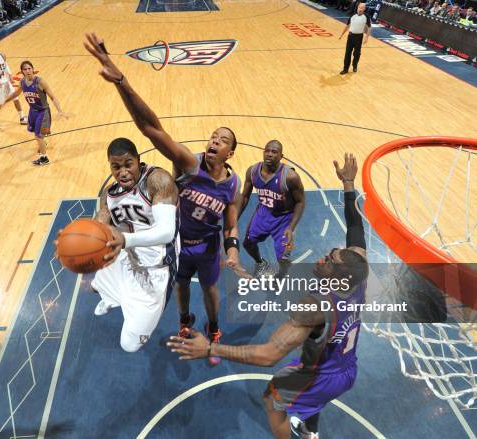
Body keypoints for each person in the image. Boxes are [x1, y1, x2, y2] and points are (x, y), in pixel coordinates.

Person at [168, 153, 369, 439]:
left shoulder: (313, 308)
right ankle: (310, 429)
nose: (324, 257)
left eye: (331, 261)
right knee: (306, 389)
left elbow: (268, 355)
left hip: (322, 375)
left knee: (272, 400)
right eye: (330, 253)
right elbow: (356, 230)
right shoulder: (359, 274)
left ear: (339, 276)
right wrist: (348, 184)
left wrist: (211, 349)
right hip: (346, 365)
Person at [84, 32, 243, 366]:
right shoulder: (189, 164)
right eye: (213, 135)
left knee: (211, 291)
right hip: (181, 242)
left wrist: (232, 251)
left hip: (209, 246)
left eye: (223, 139)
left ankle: (214, 329)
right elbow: (150, 129)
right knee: (182, 288)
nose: (215, 140)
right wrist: (121, 81)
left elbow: (231, 223)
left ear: (231, 151)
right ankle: (185, 323)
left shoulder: (233, 184)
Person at [89, 138, 179, 352]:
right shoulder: (109, 195)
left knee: (129, 345)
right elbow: (100, 224)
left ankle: (125, 299)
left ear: (138, 161)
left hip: (156, 268)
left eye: (128, 164)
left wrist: (125, 240)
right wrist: (80, 238)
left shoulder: (157, 180)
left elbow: (166, 232)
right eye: (116, 167)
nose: (123, 172)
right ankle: (113, 298)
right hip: (125, 256)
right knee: (95, 285)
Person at [239, 140, 305, 278]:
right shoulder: (252, 172)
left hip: (285, 219)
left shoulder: (290, 177)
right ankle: (261, 263)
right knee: (247, 243)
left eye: (274, 152)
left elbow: (300, 202)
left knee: (284, 258)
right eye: (267, 151)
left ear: (281, 156)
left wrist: (291, 227)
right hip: (264, 212)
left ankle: (281, 275)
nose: (269, 154)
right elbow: (244, 196)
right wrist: (235, 217)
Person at [0, 60, 67, 165]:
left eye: (29, 68)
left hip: (43, 112)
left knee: (38, 136)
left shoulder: (40, 82)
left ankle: (44, 158)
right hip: (32, 111)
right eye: (25, 69)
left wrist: (60, 111)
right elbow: (16, 93)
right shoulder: (22, 82)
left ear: (33, 69)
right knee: (36, 133)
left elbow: (53, 97)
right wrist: (5, 101)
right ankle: (43, 142)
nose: (27, 71)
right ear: (22, 71)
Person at [338, 2, 371, 74]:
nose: (360, 9)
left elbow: (369, 27)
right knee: (347, 53)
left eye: (362, 8)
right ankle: (345, 69)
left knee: (357, 53)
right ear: (357, 7)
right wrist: (342, 34)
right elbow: (347, 25)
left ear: (364, 9)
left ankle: (355, 65)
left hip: (359, 37)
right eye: (359, 7)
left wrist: (366, 37)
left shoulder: (366, 17)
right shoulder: (353, 15)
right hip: (350, 37)